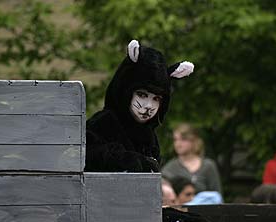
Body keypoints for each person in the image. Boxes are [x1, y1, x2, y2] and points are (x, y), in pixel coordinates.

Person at [84, 40, 194, 172]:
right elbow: (84, 154)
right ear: (126, 91)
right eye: (142, 95)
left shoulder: (149, 136)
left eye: (156, 99)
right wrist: (126, 160)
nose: (149, 106)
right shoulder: (103, 123)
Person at [162, 123, 222, 193]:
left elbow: (217, 196)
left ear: (194, 140)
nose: (178, 143)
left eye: (183, 139)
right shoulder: (170, 167)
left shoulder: (208, 166)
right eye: (175, 139)